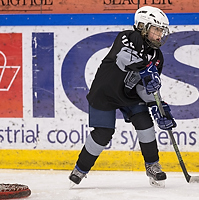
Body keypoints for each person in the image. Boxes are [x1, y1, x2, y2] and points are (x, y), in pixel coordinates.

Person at [69, 6, 176, 187]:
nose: (160, 35)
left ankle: (152, 166)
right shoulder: (128, 37)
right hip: (105, 92)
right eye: (156, 29)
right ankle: (80, 169)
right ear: (142, 26)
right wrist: (146, 71)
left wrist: (160, 107)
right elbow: (124, 58)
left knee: (145, 124)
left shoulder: (157, 57)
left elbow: (146, 88)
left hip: (130, 95)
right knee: (103, 134)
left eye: (161, 30)